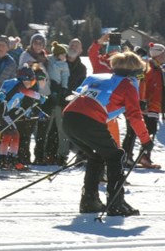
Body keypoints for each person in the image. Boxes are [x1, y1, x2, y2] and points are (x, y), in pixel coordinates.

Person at [62, 49, 149, 217]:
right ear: (134, 72)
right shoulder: (128, 85)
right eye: (140, 74)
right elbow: (135, 116)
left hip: (69, 117)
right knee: (116, 156)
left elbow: (87, 96)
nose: (140, 78)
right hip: (89, 120)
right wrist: (146, 141)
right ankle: (116, 203)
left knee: (96, 156)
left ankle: (89, 200)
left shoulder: (97, 77)